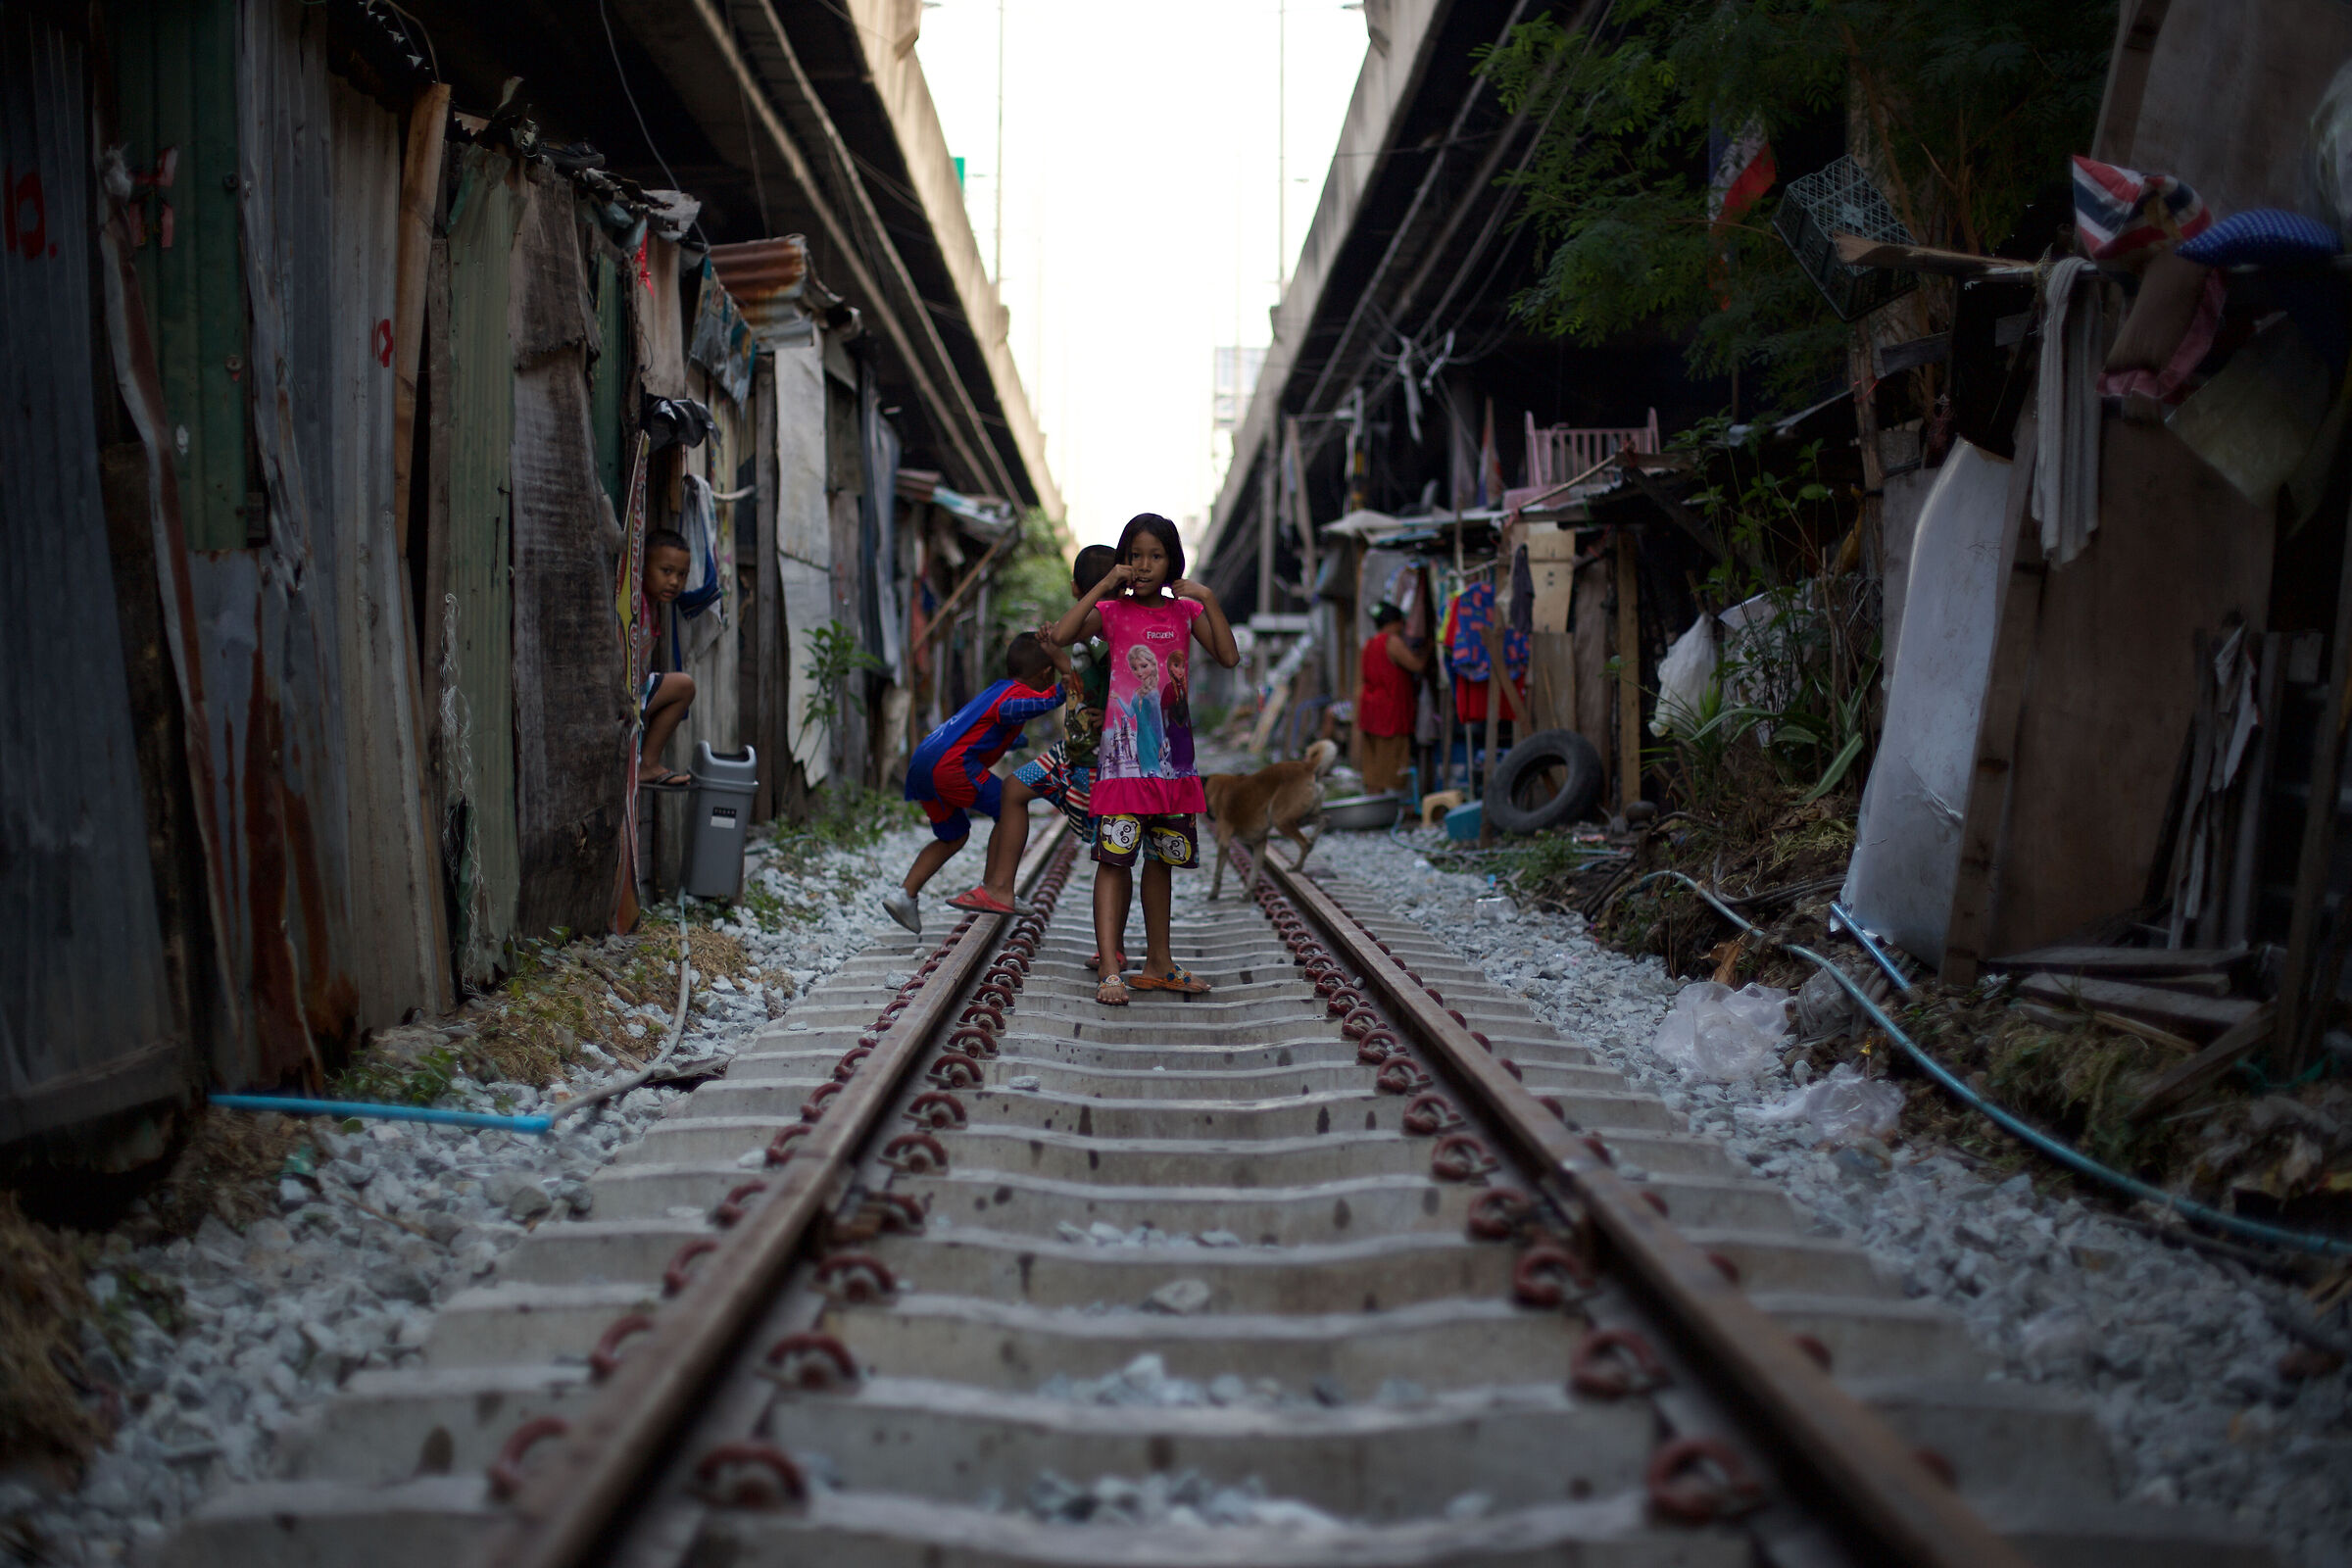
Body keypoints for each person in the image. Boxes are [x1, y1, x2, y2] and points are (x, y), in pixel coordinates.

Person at [1049, 513, 1240, 1005]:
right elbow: (1063, 635)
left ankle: (1159, 964)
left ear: (1173, 559)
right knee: (1114, 862)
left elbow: (1229, 657)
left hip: (1173, 763)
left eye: (1155, 555)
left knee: (1161, 861)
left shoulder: (1185, 614)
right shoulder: (1112, 612)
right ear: (1123, 560)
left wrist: (1209, 598)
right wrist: (1106, 586)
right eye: (1135, 556)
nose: (1145, 565)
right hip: (1122, 762)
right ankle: (1110, 968)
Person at [966, 547, 1131, 962]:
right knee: (1014, 788)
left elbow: (1126, 680)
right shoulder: (1083, 634)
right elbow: (1078, 676)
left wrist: (1111, 711)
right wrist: (1058, 657)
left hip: (1101, 764)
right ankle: (1001, 888)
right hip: (1072, 754)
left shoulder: (1110, 632)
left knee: (1113, 855)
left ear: (1076, 588)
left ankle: (1116, 947)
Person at [882, 634, 1066, 937]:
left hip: (923, 764)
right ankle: (995, 888)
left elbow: (986, 724)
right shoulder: (1016, 694)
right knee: (1010, 805)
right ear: (1047, 673)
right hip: (950, 766)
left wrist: (1015, 739)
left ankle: (905, 895)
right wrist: (1058, 694)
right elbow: (1012, 711)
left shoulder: (997, 688)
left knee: (954, 835)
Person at [638, 528, 698, 789]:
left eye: (681, 575)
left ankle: (646, 763)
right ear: (642, 566)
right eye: (666, 571)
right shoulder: (636, 603)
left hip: (635, 688)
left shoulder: (651, 605)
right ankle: (647, 764)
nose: (674, 581)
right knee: (684, 685)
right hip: (620, 694)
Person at [1356, 601, 1426, 793]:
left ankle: (1374, 806)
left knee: (1373, 767)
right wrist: (1427, 650)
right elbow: (1416, 665)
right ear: (1395, 623)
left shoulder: (1369, 644)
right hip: (1390, 714)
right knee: (1392, 765)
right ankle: (1392, 807)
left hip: (1370, 712)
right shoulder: (1391, 641)